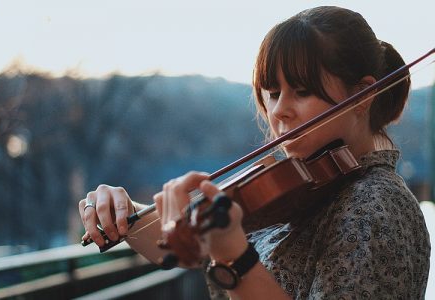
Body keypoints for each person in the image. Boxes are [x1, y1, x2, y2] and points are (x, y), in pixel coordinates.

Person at [79, 6, 430, 299]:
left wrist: (236, 257)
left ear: (364, 95)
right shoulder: (309, 191)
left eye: (302, 91)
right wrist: (130, 215)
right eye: (273, 92)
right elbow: (172, 249)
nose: (278, 111)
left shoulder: (375, 205)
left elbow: (236, 260)